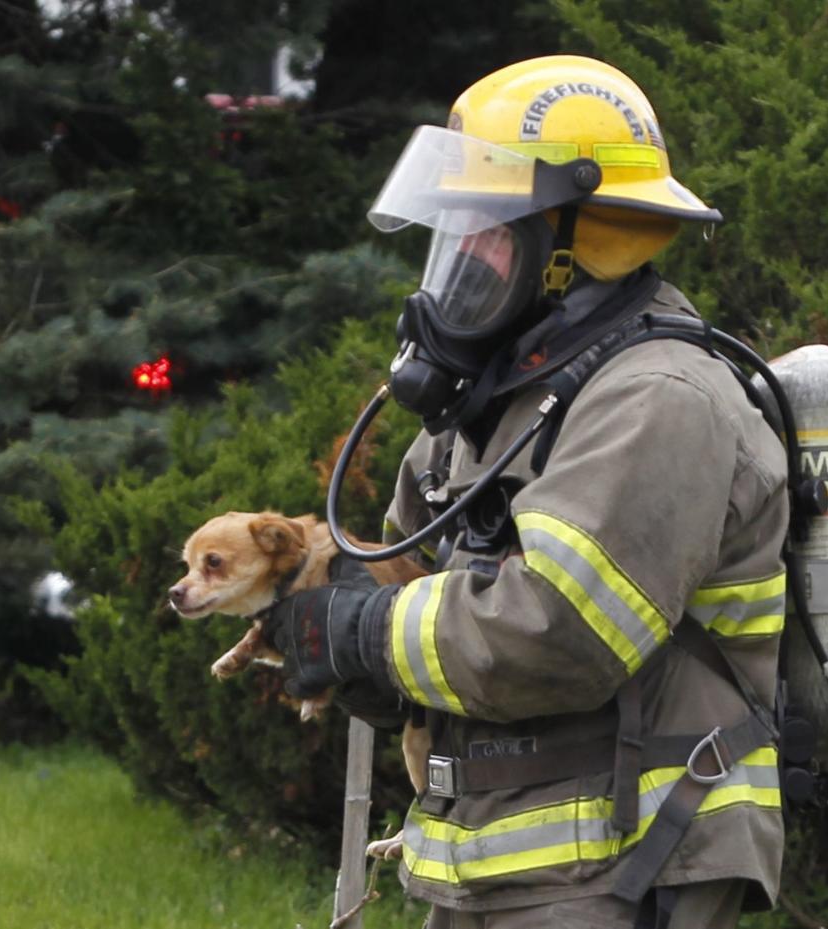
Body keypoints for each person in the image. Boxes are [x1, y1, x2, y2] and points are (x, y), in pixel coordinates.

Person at [262, 55, 788, 929]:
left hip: (629, 858)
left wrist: (367, 631)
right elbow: (419, 623)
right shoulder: (488, 416)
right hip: (496, 860)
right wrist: (336, 642)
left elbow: (558, 630)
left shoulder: (658, 399)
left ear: (572, 245)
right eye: (452, 232)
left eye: (485, 229)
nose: (459, 260)